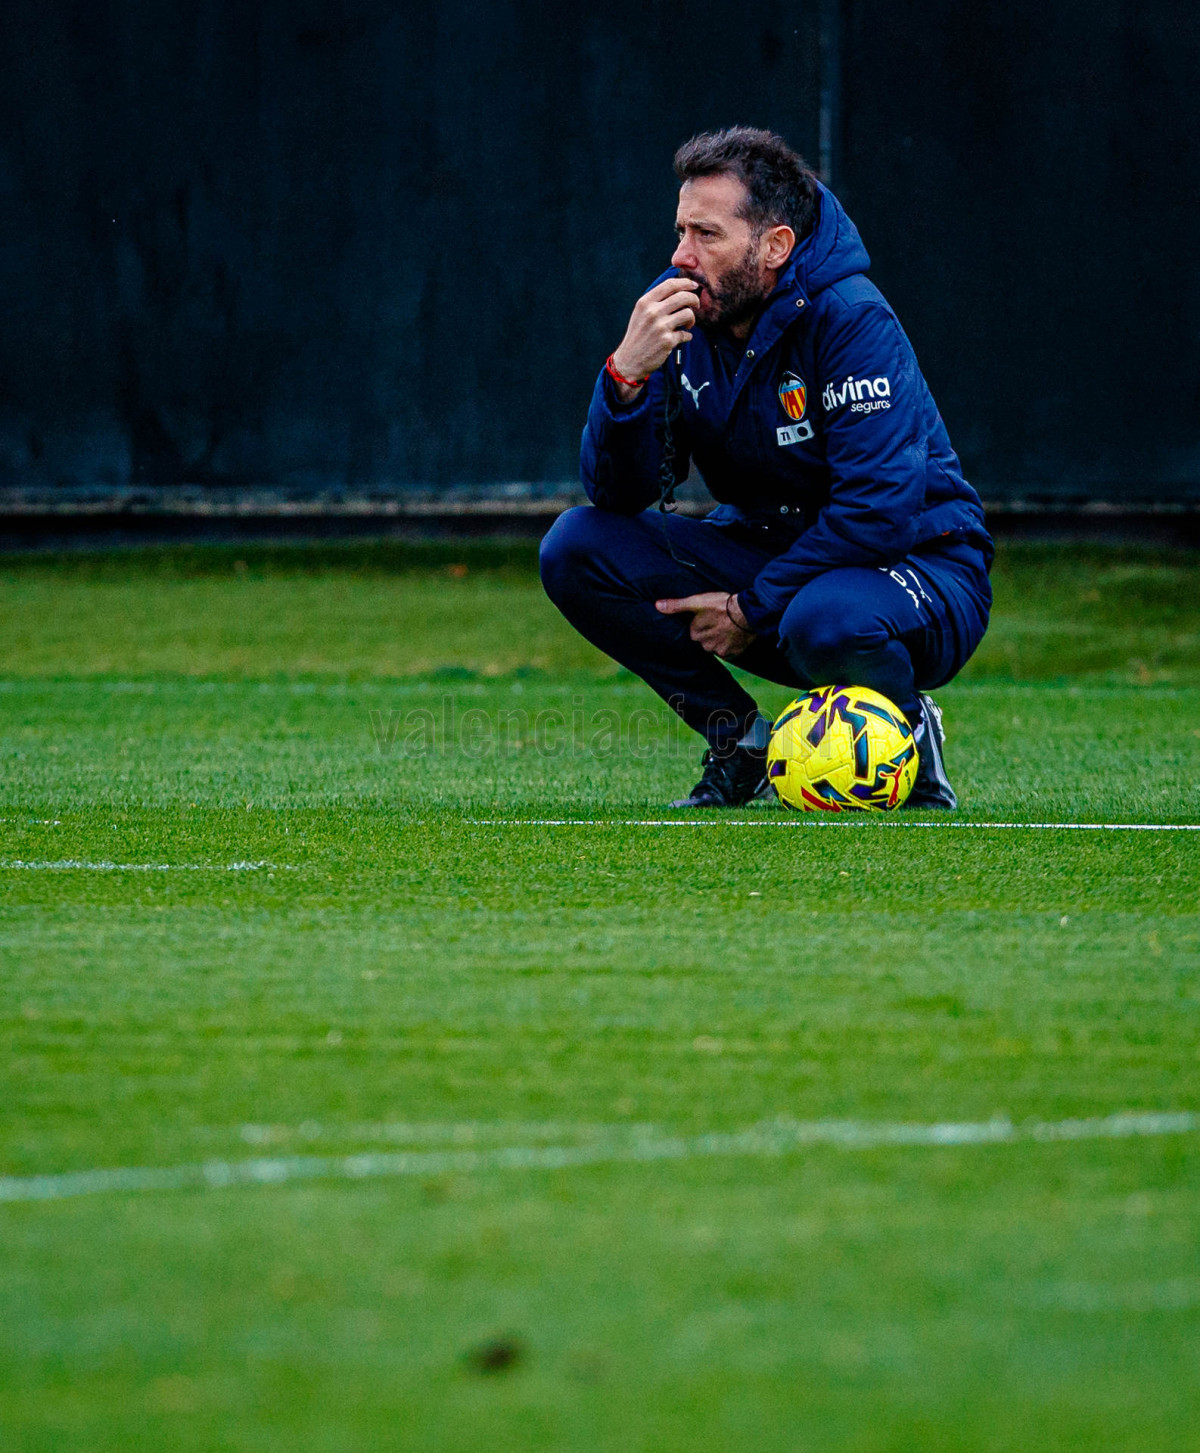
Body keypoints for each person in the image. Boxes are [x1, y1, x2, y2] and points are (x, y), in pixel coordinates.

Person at [540, 127, 992, 810]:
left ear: (775, 246)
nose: (681, 255)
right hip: (778, 555)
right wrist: (625, 378)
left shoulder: (852, 319)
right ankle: (739, 740)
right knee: (576, 547)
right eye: (681, 230)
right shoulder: (681, 308)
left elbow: (877, 513)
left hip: (919, 565)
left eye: (707, 235)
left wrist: (749, 608)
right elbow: (617, 493)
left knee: (823, 618)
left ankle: (907, 731)